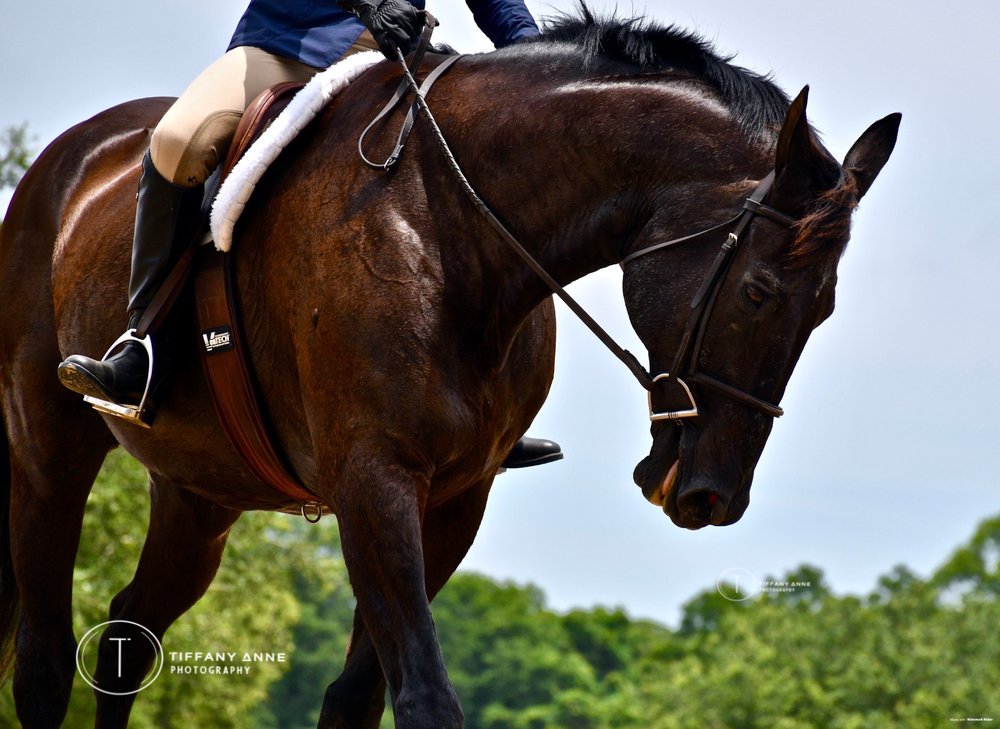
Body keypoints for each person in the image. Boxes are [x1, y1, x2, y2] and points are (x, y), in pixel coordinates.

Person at [57, 0, 562, 468]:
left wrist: (530, 55)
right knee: (177, 142)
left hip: (400, 53)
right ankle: (146, 347)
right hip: (291, 45)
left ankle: (487, 402)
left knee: (486, 161)